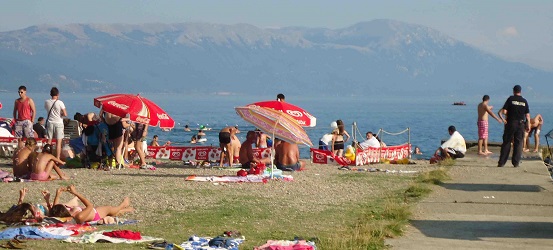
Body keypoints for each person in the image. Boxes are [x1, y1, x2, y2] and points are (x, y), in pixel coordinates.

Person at [49, 185, 133, 224]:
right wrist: (75, 193)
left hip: (89, 212)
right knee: (110, 209)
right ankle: (123, 205)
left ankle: (123, 210)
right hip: (96, 214)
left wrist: (58, 195)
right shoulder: (78, 217)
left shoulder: (63, 216)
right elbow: (90, 206)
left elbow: (55, 211)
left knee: (111, 212)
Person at [497, 85, 531, 168]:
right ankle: (516, 163)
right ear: (520, 91)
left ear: (513, 91)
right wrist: (528, 124)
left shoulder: (510, 99)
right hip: (521, 123)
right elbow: (527, 115)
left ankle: (502, 162)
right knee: (518, 143)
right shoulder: (524, 101)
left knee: (507, 142)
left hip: (511, 123)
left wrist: (506, 116)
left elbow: (504, 111)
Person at [44, 87, 67, 160]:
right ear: (58, 94)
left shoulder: (47, 102)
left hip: (50, 122)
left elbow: (47, 109)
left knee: (49, 141)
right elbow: (65, 114)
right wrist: (60, 114)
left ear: (50, 94)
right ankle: (57, 158)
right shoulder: (60, 102)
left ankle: (47, 156)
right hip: (58, 123)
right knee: (58, 142)